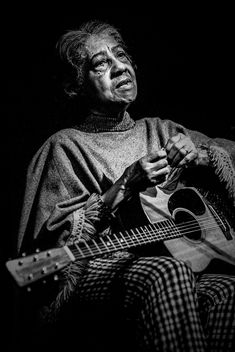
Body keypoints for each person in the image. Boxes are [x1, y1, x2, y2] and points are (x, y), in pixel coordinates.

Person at [15, 20, 235, 352]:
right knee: (168, 272)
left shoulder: (161, 129)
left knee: (228, 291)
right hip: (101, 267)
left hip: (186, 263)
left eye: (121, 56)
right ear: (76, 87)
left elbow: (229, 156)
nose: (119, 67)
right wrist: (125, 184)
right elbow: (52, 242)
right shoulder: (65, 146)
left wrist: (202, 157)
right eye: (100, 64)